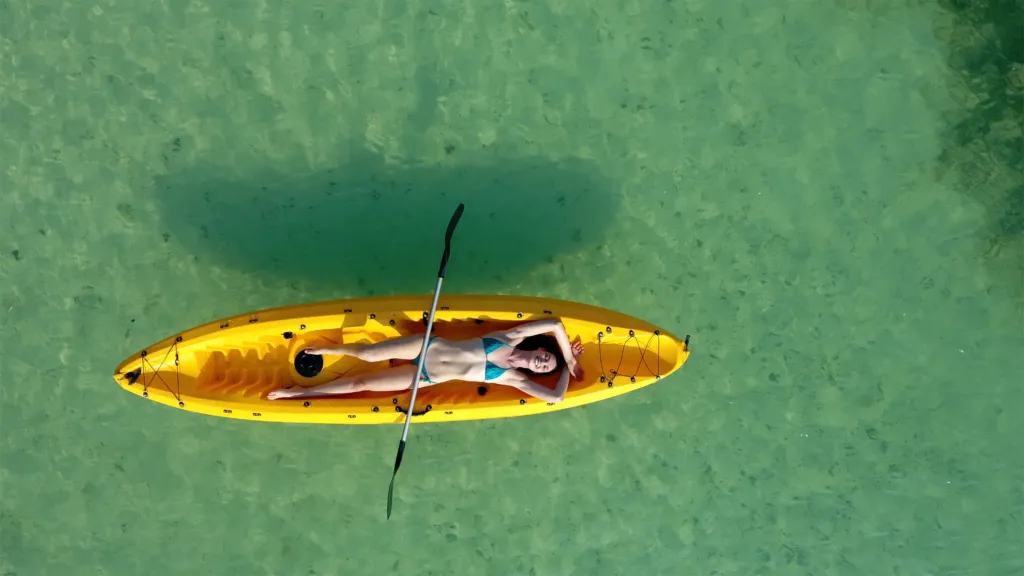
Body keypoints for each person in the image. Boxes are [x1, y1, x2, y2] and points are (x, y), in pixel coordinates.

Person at [266, 318, 584, 404]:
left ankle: (297, 393)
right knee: (366, 353)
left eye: (546, 367)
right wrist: (568, 358)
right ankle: (327, 351)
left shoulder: (514, 379)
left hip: (424, 378)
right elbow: (555, 324)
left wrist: (567, 371)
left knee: (359, 383)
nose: (543, 364)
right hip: (426, 346)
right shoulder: (511, 337)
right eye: (546, 358)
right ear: (541, 350)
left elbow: (555, 397)